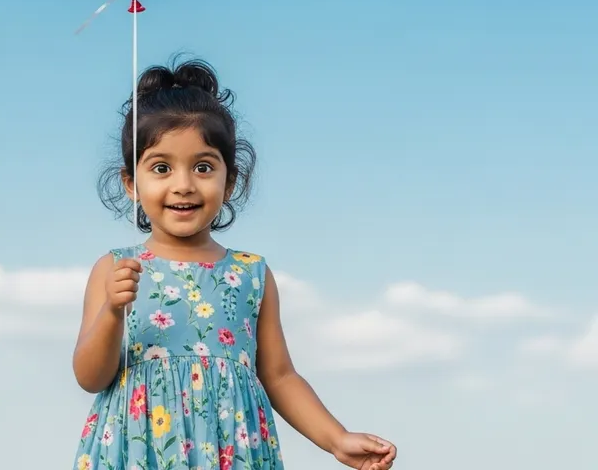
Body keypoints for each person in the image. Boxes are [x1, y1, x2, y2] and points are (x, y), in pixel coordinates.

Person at [71, 58, 397, 470]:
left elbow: (280, 377)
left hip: (231, 453)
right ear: (131, 184)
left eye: (203, 167)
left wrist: (336, 439)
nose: (184, 184)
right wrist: (112, 312)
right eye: (161, 167)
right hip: (140, 452)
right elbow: (90, 377)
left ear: (230, 181)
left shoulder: (251, 274)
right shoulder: (117, 268)